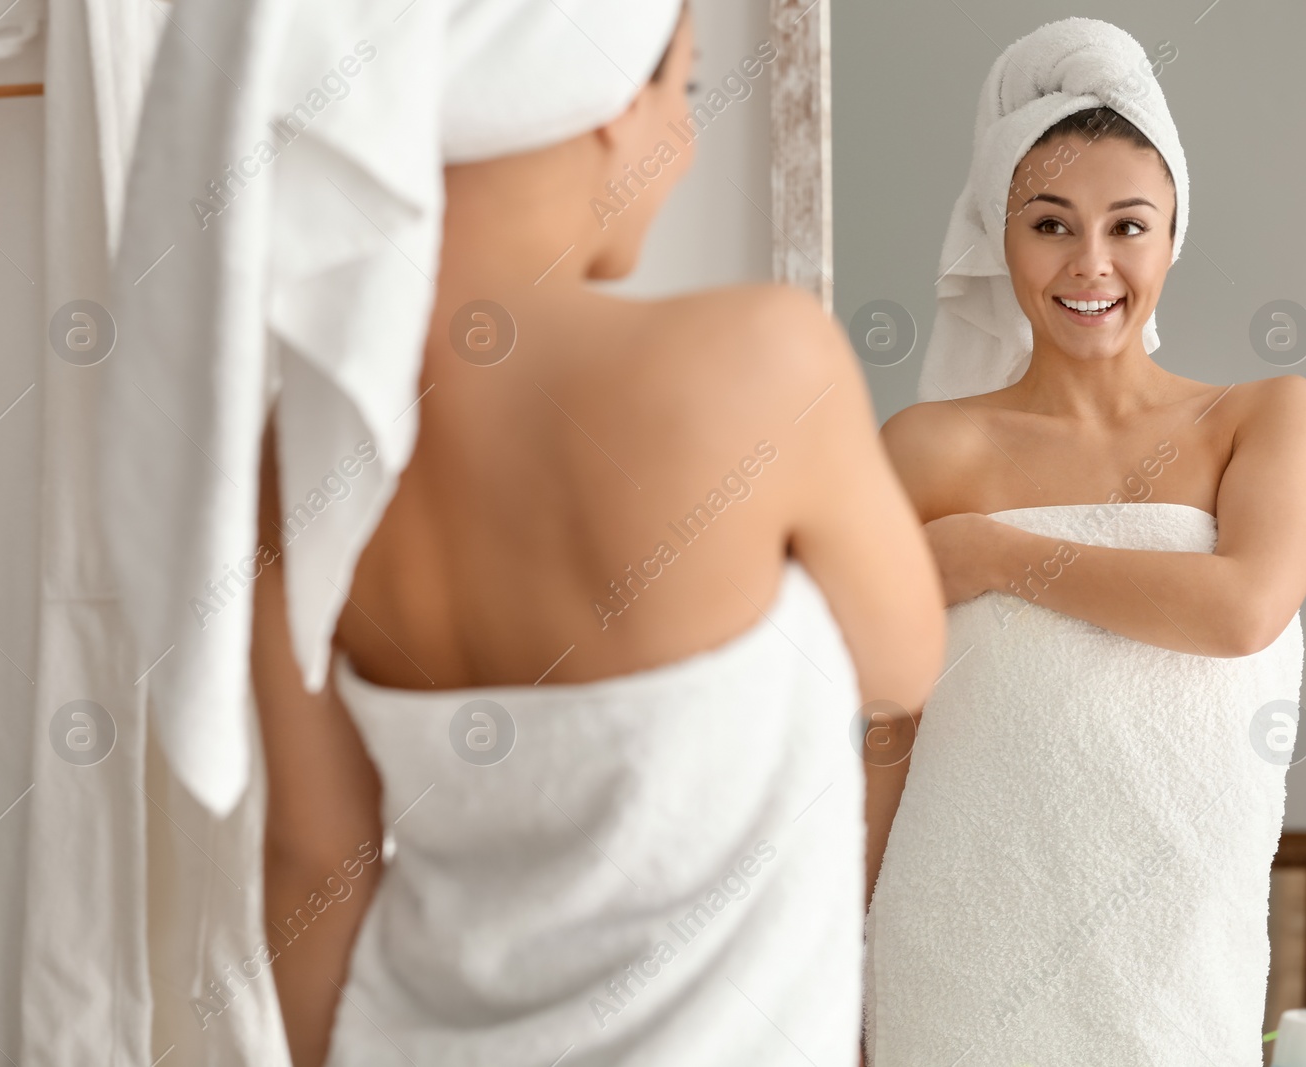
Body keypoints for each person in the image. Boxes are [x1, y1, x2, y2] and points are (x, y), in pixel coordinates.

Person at [248, 4, 944, 1065]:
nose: (688, 138)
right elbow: (900, 671)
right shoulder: (762, 362)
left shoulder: (300, 451)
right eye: (688, 92)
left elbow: (313, 862)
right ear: (613, 99)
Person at [861, 18, 1306, 1066]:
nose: (1091, 264)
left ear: (1171, 235)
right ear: (998, 233)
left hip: (1173, 966)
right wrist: (840, 962)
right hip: (956, 952)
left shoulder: (1262, 417)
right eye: (1049, 224)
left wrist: (988, 555)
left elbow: (1241, 609)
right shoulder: (928, 444)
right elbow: (889, 724)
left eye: (1128, 225)